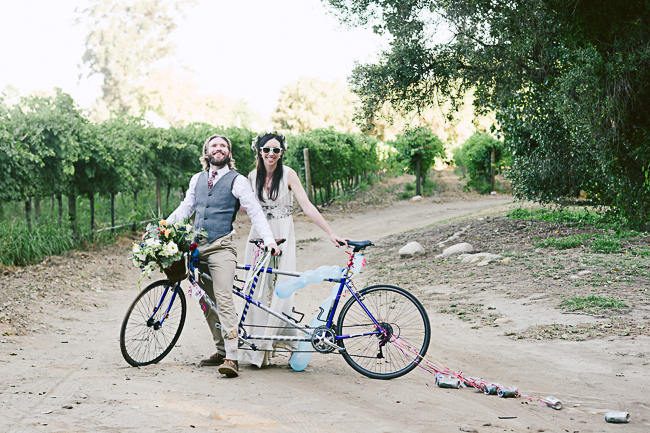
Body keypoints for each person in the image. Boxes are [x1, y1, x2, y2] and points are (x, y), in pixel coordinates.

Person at [167, 134, 278, 378]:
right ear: (206, 152)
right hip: (197, 249)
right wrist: (163, 227)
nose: (219, 149)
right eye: (214, 145)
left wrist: (269, 240)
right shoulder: (197, 179)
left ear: (229, 153)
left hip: (221, 248)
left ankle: (232, 357)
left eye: (223, 146)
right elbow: (186, 208)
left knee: (223, 298)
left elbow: (254, 211)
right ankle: (220, 349)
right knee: (205, 300)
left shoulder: (237, 180)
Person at [239, 132, 346, 368]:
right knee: (256, 290)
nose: (271, 154)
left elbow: (307, 206)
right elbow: (246, 208)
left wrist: (330, 232)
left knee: (280, 289)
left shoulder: (288, 174)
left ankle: (282, 341)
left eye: (276, 150)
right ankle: (258, 349)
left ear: (281, 153)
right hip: (258, 235)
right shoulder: (251, 176)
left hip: (283, 235)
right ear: (259, 151)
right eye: (266, 149)